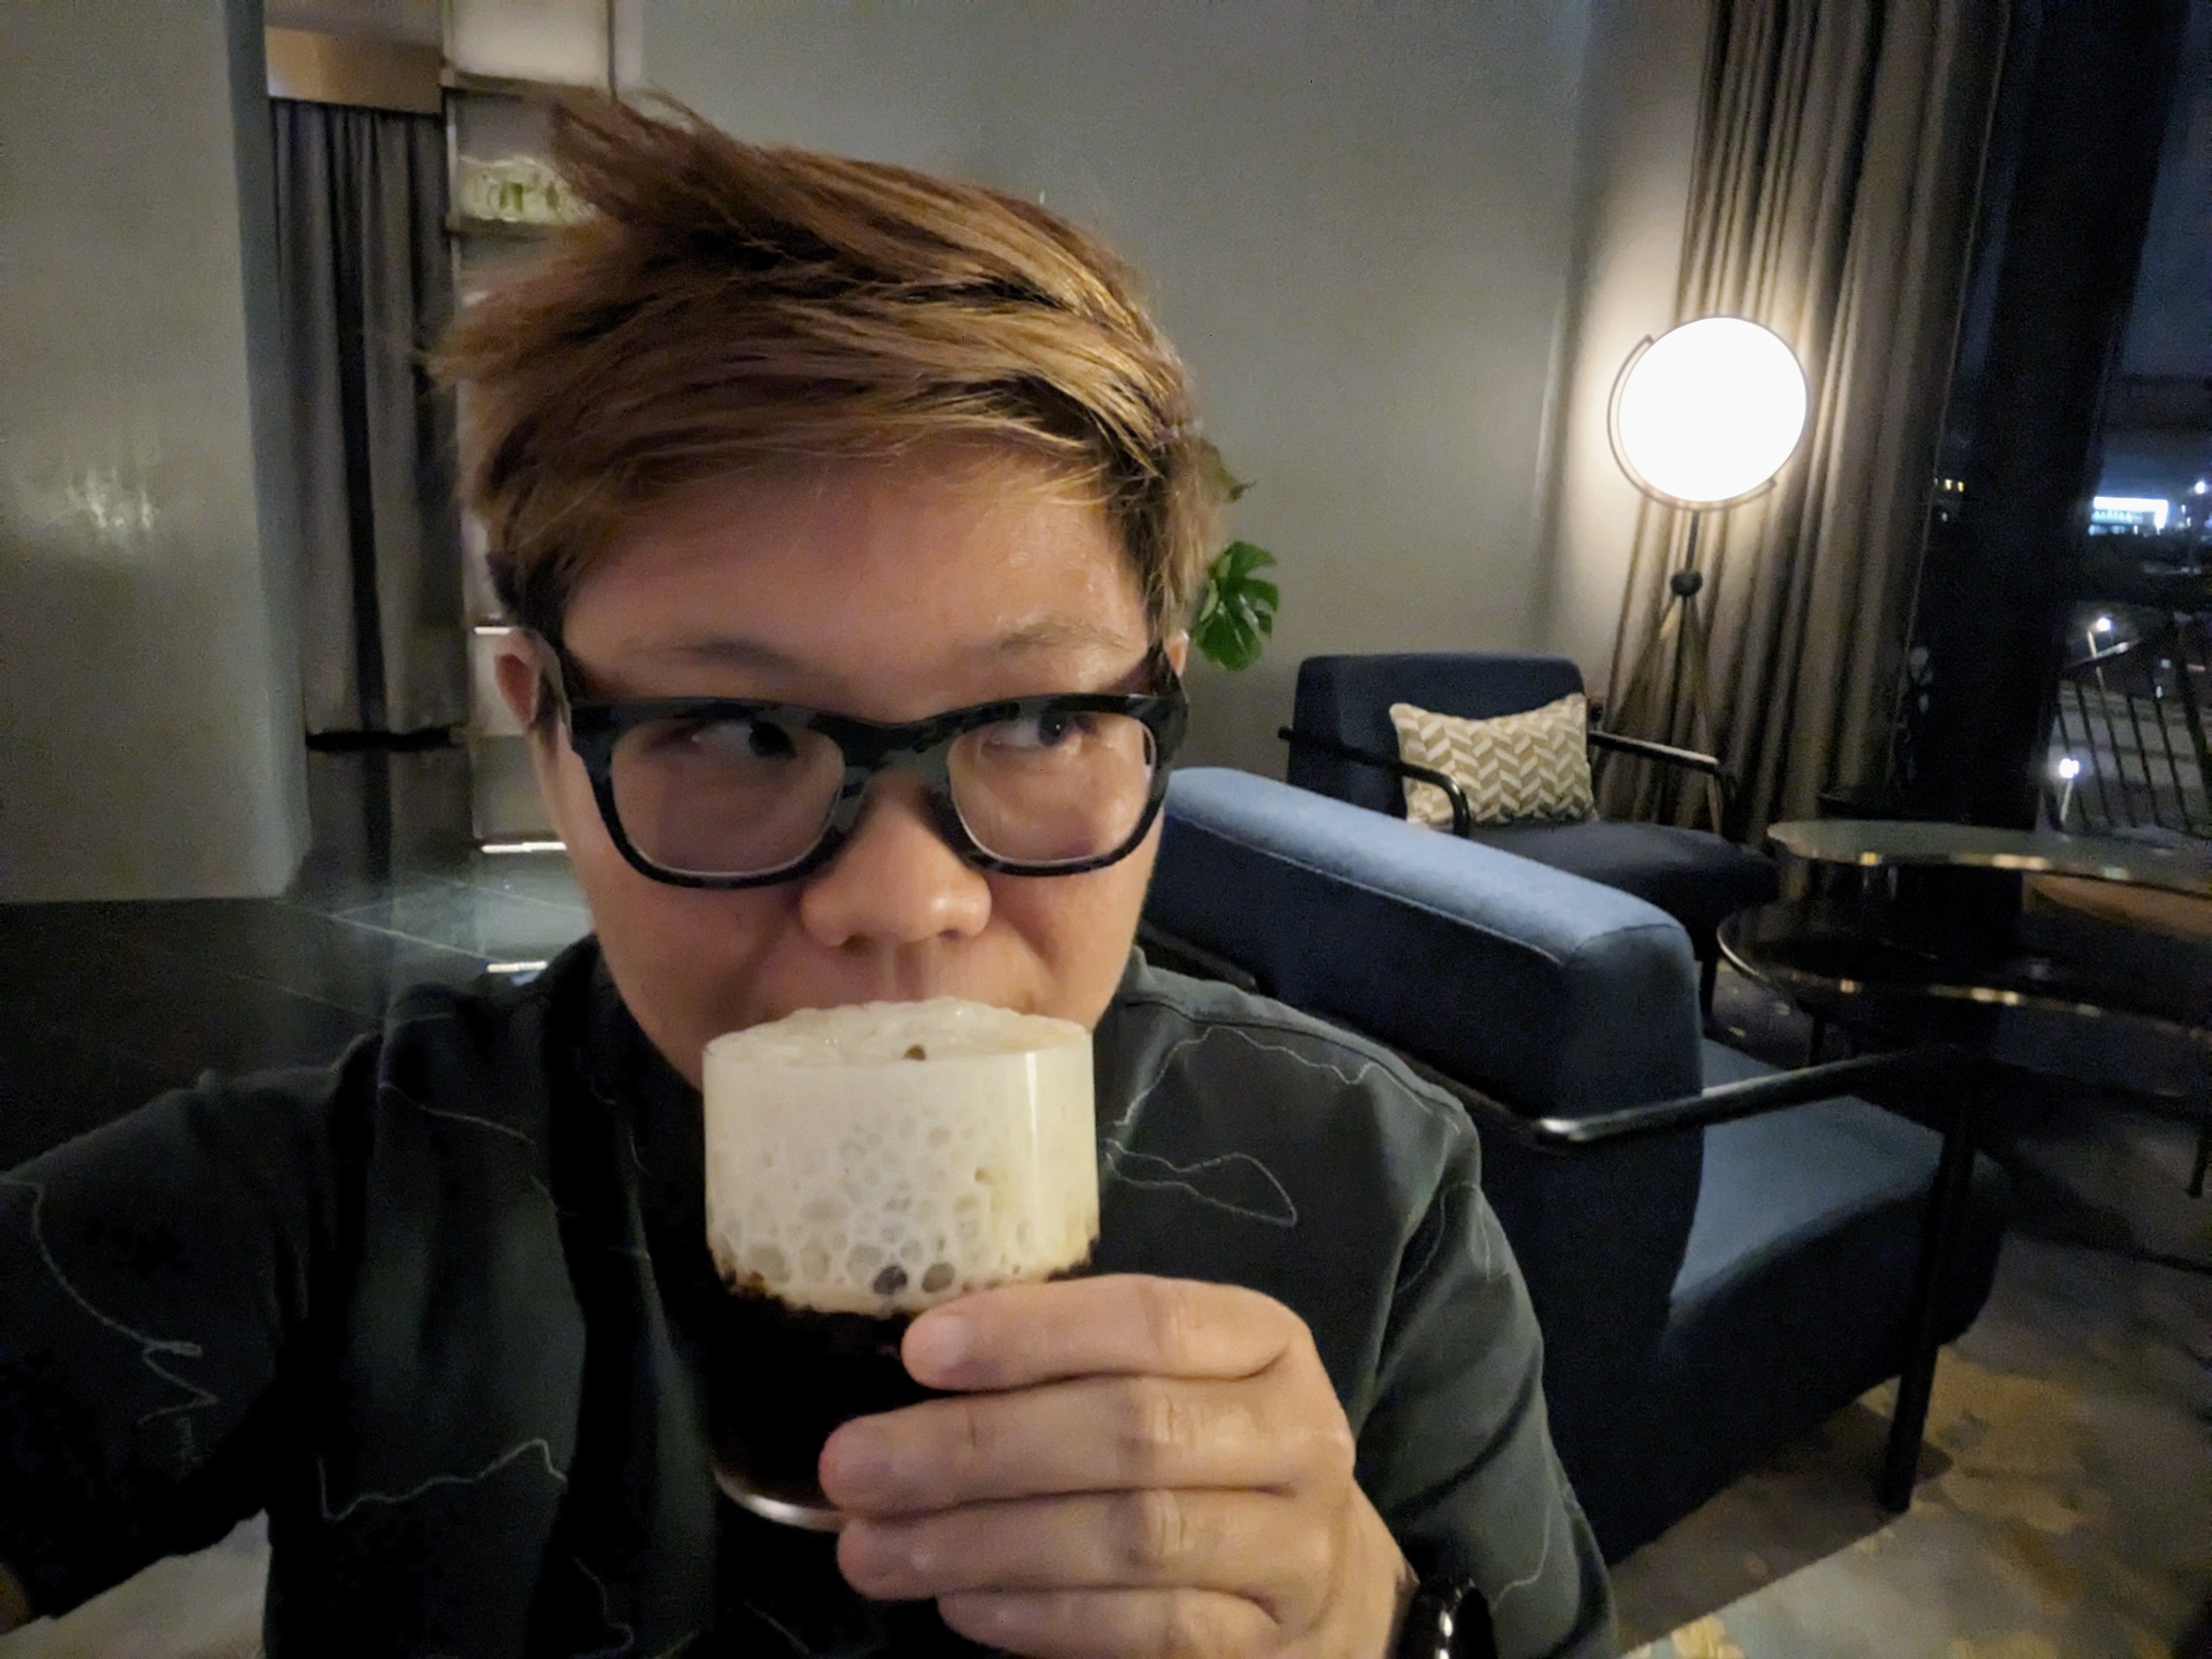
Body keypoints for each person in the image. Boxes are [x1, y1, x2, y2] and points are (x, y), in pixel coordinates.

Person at [0, 97, 1613, 1659]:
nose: (904, 902)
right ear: (547, 738)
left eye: (1039, 721)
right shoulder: (342, 1199)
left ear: (1155, 713)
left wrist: (1378, 1632)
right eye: (737, 730)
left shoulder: (1370, 1191)